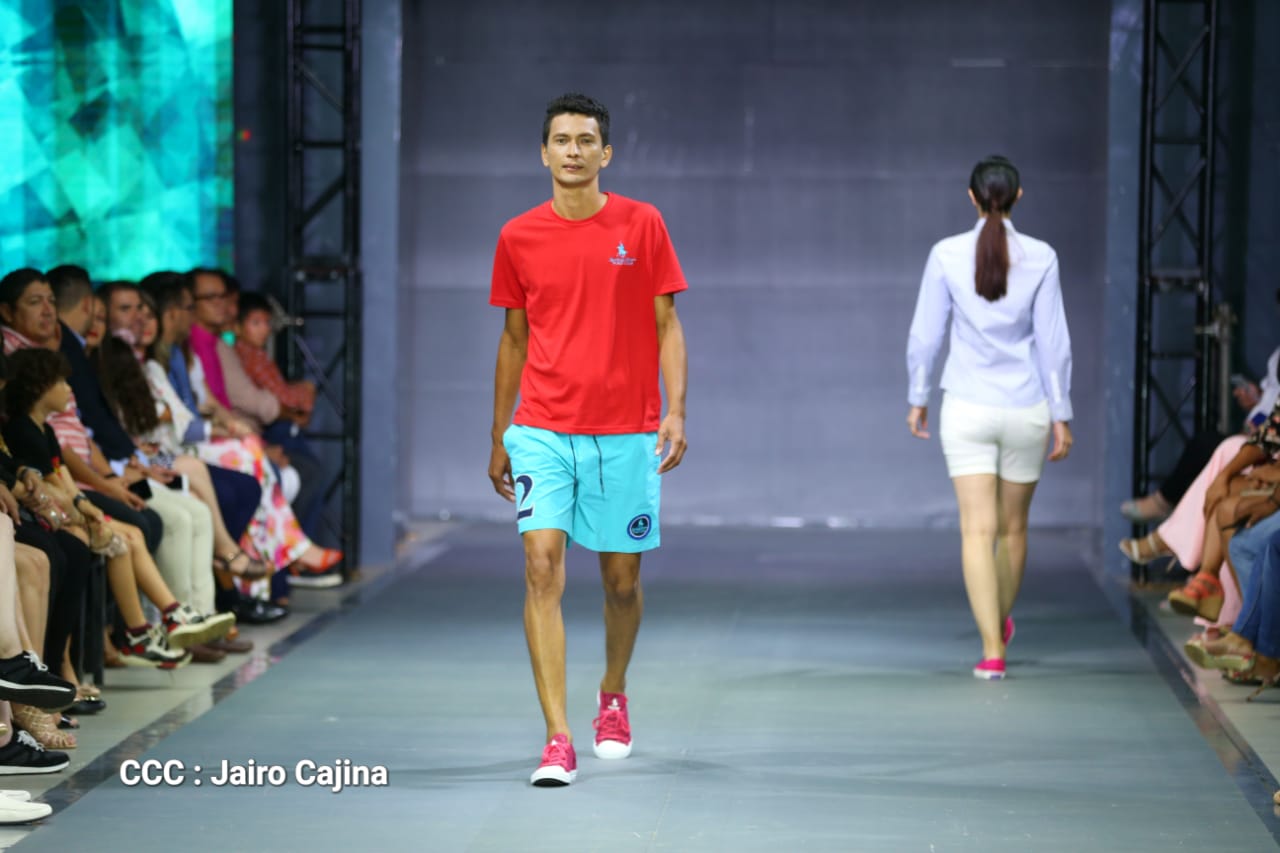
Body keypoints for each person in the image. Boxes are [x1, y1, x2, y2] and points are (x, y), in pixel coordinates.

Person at [487, 93, 689, 787]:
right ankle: (557, 736)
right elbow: (514, 339)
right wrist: (499, 433)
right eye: (560, 139)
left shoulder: (643, 223)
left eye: (585, 140)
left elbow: (667, 324)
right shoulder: (517, 235)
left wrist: (676, 410)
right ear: (543, 152)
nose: (572, 150)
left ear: (606, 152)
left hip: (626, 432)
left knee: (621, 582)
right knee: (541, 567)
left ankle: (613, 693)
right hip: (542, 428)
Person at [905, 155, 1074, 681]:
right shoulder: (1041, 256)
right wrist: (1062, 413)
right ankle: (997, 626)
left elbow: (926, 334)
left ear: (971, 198)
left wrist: (918, 396)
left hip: (967, 406)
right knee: (1014, 530)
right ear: (1018, 197)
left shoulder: (946, 254)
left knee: (977, 532)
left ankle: (991, 650)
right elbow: (1053, 343)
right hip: (1026, 408)